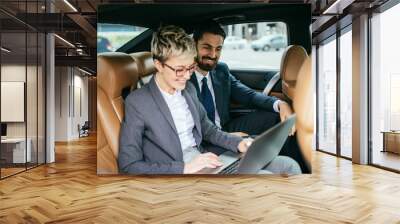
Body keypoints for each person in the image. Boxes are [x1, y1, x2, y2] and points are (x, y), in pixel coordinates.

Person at [118, 25, 301, 175]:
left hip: (205, 159)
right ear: (158, 65)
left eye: (190, 68)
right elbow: (129, 165)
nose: (187, 76)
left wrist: (238, 143)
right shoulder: (138, 102)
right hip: (179, 172)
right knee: (267, 178)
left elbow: (208, 129)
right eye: (179, 70)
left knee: (288, 165)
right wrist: (185, 168)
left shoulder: (187, 89)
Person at [190, 21, 309, 173]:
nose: (213, 55)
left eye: (218, 49)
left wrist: (280, 104)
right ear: (194, 44)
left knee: (279, 119)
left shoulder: (221, 70)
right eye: (207, 47)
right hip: (205, 139)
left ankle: (302, 171)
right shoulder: (182, 78)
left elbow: (249, 96)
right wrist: (227, 137)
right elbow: (190, 129)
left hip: (225, 126)